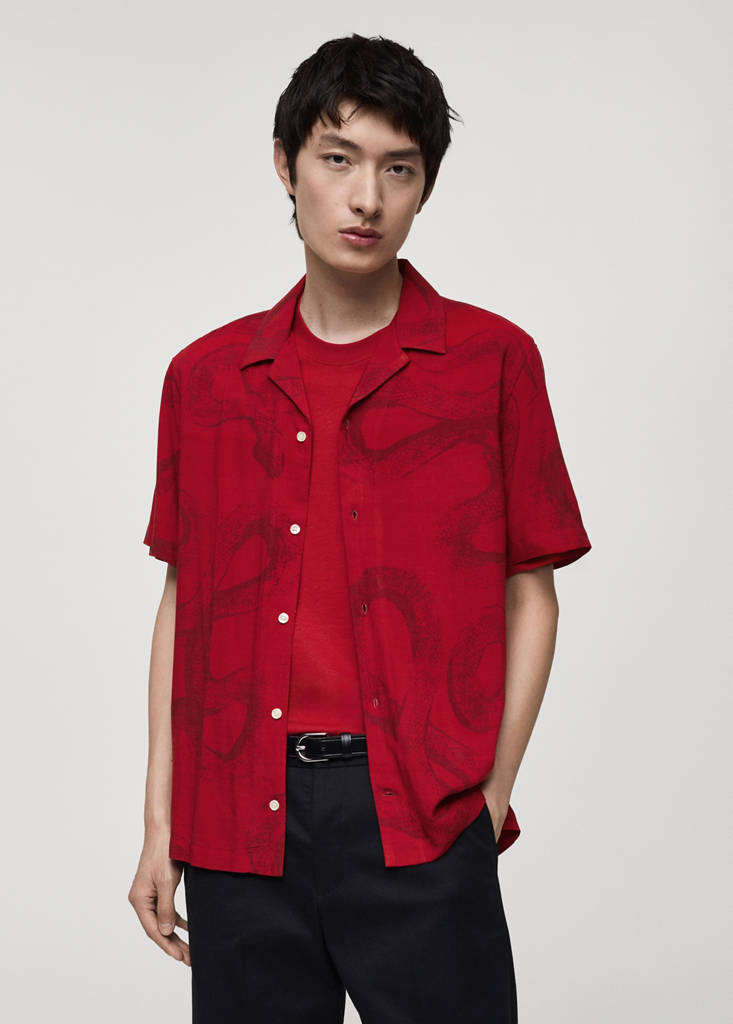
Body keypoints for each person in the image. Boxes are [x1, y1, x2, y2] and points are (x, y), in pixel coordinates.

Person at [128, 32, 591, 1023]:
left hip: (418, 814)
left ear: (425, 186)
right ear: (285, 164)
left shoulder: (492, 363)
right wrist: (161, 822)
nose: (365, 198)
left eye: (398, 168)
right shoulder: (206, 380)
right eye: (337, 159)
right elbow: (185, 603)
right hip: (239, 824)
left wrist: (485, 799)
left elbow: (531, 593)